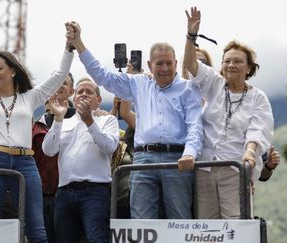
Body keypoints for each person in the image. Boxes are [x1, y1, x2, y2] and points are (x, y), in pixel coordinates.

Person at [66, 22, 203, 220]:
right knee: (141, 223)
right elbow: (102, 76)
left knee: (179, 221)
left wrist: (190, 154)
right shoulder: (139, 83)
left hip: (177, 159)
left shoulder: (188, 88)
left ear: (175, 63)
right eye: (159, 63)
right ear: (149, 65)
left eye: (168, 63)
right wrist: (79, 43)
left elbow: (195, 125)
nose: (164, 68)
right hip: (143, 160)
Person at [0, 26, 74, 242]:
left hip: (25, 162)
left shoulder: (30, 97)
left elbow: (59, 75)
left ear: (13, 70)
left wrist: (69, 47)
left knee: (37, 229)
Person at [184, 7, 273, 219]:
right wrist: (191, 35)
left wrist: (250, 151)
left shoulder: (258, 97)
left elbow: (258, 130)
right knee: (206, 228)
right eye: (227, 61)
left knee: (235, 226)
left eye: (238, 61)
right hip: (204, 167)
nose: (231, 65)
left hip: (234, 169)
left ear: (249, 68)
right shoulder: (214, 83)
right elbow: (189, 64)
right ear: (222, 65)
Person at [42, 78, 119, 243]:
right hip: (64, 194)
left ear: (98, 101)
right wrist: (58, 119)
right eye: (80, 92)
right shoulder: (63, 122)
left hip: (95, 193)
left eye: (89, 92)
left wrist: (90, 122)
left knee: (97, 239)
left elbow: (110, 147)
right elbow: (48, 150)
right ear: (74, 99)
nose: (84, 94)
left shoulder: (107, 120)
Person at [32, 72, 75, 243]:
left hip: (68, 195)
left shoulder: (82, 121)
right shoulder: (35, 125)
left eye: (63, 82)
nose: (58, 86)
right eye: (55, 82)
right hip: (40, 197)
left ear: (71, 91)